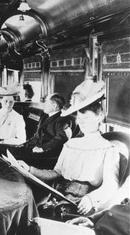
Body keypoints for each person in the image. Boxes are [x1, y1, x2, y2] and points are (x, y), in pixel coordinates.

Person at [14, 80, 123, 216]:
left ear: (99, 117)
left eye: (86, 117)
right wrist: (30, 170)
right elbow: (56, 173)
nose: (81, 122)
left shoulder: (108, 149)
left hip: (81, 201)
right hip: (56, 194)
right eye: (79, 117)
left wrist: (91, 199)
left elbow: (111, 185)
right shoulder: (71, 144)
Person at [21, 93, 74, 160]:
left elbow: (61, 138)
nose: (44, 104)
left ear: (54, 106)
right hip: (34, 148)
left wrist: (43, 148)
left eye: (46, 102)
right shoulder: (45, 116)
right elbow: (37, 136)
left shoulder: (62, 120)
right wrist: (24, 145)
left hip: (47, 155)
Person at [0, 85, 27, 154]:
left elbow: (22, 139)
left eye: (11, 102)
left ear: (14, 102)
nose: (8, 105)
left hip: (9, 147)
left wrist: (4, 142)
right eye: (6, 101)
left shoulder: (18, 117)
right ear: (0, 100)